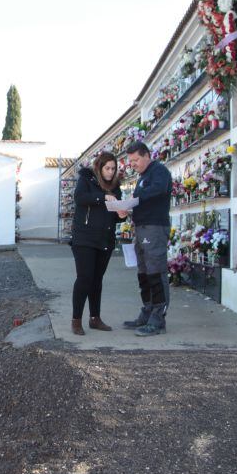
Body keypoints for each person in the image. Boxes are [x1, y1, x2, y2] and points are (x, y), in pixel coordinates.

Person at [69, 152, 128, 335]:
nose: (110, 172)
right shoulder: (86, 178)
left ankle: (95, 318)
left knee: (97, 280)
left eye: (113, 168)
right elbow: (80, 199)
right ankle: (76, 320)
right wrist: (102, 197)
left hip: (105, 239)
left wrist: (121, 215)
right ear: (99, 167)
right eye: (107, 168)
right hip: (84, 238)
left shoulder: (115, 186)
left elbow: (113, 215)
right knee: (84, 278)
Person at [122, 141, 173, 336]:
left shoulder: (158, 171)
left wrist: (136, 197)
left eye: (135, 160)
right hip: (142, 228)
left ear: (146, 155)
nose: (132, 164)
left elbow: (158, 190)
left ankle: (158, 319)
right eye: (130, 161)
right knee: (143, 273)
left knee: (155, 272)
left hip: (154, 228)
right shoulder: (143, 176)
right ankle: (148, 311)